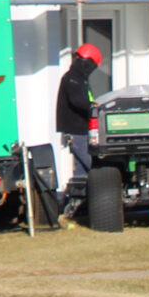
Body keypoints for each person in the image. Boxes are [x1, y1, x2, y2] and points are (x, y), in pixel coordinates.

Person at [55, 41, 105, 202]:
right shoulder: (73, 79)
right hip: (77, 131)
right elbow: (78, 101)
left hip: (82, 130)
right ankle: (84, 201)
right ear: (86, 62)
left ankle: (80, 203)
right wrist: (93, 107)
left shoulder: (78, 79)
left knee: (82, 170)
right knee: (91, 166)